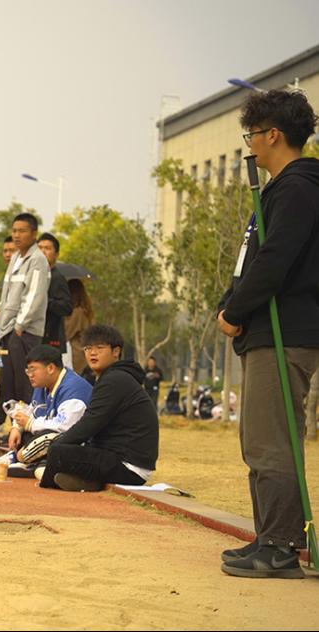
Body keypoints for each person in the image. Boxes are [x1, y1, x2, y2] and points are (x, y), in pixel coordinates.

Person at [216, 89, 319, 580]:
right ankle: (269, 535)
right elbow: (254, 259)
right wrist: (229, 301)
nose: (250, 146)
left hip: (286, 329)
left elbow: (277, 259)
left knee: (271, 441)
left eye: (252, 136)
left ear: (272, 134)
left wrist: (236, 309)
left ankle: (279, 547)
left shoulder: (298, 186)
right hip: (264, 329)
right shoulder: (280, 187)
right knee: (258, 439)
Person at [39, 325, 158, 493]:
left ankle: (51, 482)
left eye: (99, 348)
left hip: (128, 467)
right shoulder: (111, 377)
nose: (92, 353)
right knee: (61, 448)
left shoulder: (115, 380)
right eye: (88, 348)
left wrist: (56, 448)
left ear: (116, 352)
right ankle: (87, 482)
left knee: (58, 451)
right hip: (116, 457)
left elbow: (90, 423)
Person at [0, 345, 92, 477]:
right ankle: (32, 463)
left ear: (51, 368)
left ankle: (20, 460)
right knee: (27, 433)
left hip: (78, 446)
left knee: (49, 436)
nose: (30, 375)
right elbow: (32, 412)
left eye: (33, 370)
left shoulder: (74, 388)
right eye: (28, 370)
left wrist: (30, 424)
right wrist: (17, 427)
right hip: (51, 442)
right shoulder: (43, 384)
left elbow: (66, 426)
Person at [0, 213, 50, 415]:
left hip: (24, 332)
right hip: (8, 330)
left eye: (22, 231)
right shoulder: (16, 257)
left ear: (34, 233)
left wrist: (19, 326)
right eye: (14, 231)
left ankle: (28, 428)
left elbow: (34, 296)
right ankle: (12, 429)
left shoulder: (37, 260)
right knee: (8, 383)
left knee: (25, 384)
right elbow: (7, 292)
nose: (17, 235)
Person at [37, 233, 72, 360]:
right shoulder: (35, 276)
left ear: (56, 254)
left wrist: (45, 301)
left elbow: (67, 307)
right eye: (40, 247)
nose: (43, 251)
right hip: (35, 337)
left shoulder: (57, 277)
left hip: (51, 339)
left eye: (47, 248)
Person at [65, 279, 95, 380]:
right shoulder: (86, 311)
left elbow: (67, 333)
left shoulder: (77, 313)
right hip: (82, 353)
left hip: (75, 354)